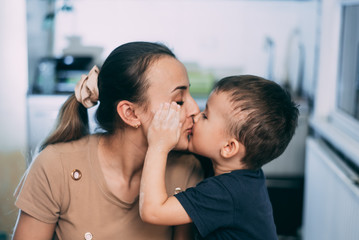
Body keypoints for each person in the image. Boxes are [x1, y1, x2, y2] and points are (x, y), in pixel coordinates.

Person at [12, 42, 204, 240]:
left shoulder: (187, 170)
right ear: (130, 113)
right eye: (179, 101)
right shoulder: (54, 165)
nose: (195, 110)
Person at [139, 75, 299, 239]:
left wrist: (158, 146)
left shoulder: (226, 193)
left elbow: (153, 211)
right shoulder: (244, 177)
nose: (196, 115)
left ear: (229, 148)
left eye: (206, 116)